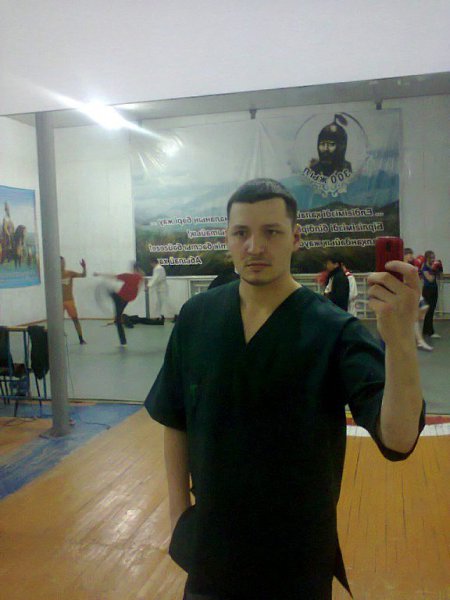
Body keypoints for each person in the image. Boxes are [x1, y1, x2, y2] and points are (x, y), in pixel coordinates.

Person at [146, 178, 424, 600]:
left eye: (272, 232)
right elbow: (175, 417)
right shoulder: (197, 316)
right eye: (242, 232)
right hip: (211, 554)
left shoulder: (334, 330)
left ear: (295, 238)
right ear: (228, 239)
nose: (255, 246)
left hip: (297, 562)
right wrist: (178, 515)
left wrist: (401, 338)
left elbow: (399, 438)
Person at [94, 263, 144, 346]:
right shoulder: (140, 278)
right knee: (118, 319)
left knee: (117, 319)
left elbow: (112, 276)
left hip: (119, 299)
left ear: (134, 269)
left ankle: (123, 342)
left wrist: (99, 274)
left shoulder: (128, 276)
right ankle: (123, 342)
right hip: (126, 300)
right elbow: (141, 280)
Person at [403, 248, 433, 351]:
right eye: (410, 254)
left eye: (412, 254)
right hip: (405, 294)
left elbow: (416, 280)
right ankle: (418, 340)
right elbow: (403, 281)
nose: (412, 256)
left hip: (413, 292)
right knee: (412, 318)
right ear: (405, 255)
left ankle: (418, 340)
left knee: (423, 309)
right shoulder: (401, 266)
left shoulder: (412, 265)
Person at [60, 256, 87, 344]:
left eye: (63, 262)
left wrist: (84, 267)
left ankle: (81, 339)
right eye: (61, 263)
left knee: (75, 319)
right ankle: (58, 337)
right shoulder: (54, 275)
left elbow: (83, 275)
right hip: (59, 302)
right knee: (58, 321)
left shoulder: (69, 273)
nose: (63, 264)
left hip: (69, 300)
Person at [421, 250, 441, 339]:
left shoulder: (433, 266)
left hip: (434, 289)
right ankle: (430, 332)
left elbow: (439, 277)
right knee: (429, 311)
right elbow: (430, 279)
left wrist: (439, 270)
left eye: (434, 257)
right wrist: (434, 270)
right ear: (427, 258)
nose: (433, 259)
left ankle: (426, 331)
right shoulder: (424, 267)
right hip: (427, 290)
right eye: (431, 258)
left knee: (431, 311)